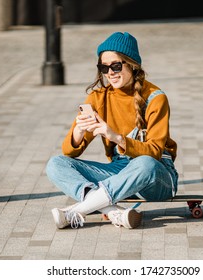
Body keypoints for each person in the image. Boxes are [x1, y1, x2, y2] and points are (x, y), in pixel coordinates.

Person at [46, 32, 178, 230]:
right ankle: (114, 212)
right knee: (56, 164)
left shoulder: (155, 97)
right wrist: (79, 132)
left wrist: (114, 136)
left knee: (144, 164)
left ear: (132, 64)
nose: (110, 73)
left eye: (116, 66)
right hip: (119, 174)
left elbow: (154, 153)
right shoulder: (98, 97)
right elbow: (68, 152)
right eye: (104, 67)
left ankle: (75, 212)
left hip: (156, 176)